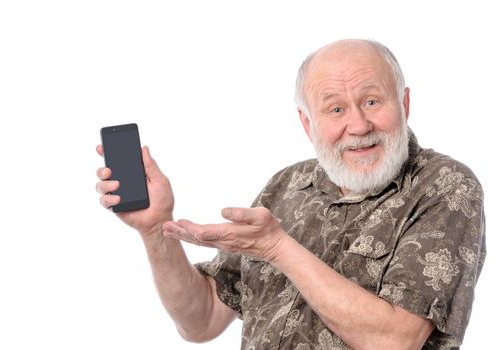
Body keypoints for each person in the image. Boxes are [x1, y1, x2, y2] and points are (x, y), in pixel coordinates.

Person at [95, 39, 486, 349]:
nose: (358, 124)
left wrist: (278, 248)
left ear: (404, 104)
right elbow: (201, 321)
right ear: (307, 123)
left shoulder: (445, 185)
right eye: (335, 109)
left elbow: (394, 340)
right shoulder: (286, 186)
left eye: (371, 101)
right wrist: (155, 230)